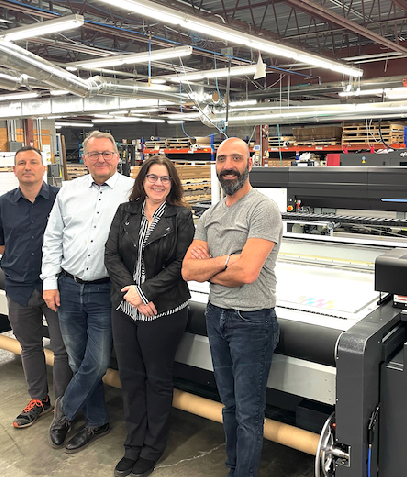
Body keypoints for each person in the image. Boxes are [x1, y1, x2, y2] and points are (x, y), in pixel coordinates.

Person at [181, 137, 283, 477]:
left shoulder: (262, 208)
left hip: (252, 321)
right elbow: (187, 270)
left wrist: (209, 268)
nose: (228, 165)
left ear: (249, 163)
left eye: (236, 158)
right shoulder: (210, 214)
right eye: (222, 158)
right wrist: (225, 262)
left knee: (249, 412)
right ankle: (233, 467)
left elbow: (248, 272)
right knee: (230, 406)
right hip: (216, 316)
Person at [42, 131, 134, 454]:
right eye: (94, 154)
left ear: (117, 156)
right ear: (84, 158)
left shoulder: (131, 191)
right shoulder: (69, 191)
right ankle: (97, 421)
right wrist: (49, 282)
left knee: (95, 362)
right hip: (67, 287)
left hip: (103, 291)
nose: (101, 160)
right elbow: (53, 238)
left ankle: (64, 412)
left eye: (107, 153)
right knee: (78, 358)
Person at [104, 155, 195, 477]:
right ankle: (133, 445)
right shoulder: (125, 212)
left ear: (172, 184)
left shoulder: (182, 217)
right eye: (152, 177)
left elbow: (180, 265)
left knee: (157, 380)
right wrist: (131, 290)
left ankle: (152, 449)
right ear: (142, 180)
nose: (158, 183)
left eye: (165, 179)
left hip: (164, 310)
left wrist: (145, 293)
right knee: (130, 378)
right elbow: (111, 254)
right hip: (125, 308)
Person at [0, 145, 72, 429]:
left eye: (33, 162)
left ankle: (65, 404)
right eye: (22, 163)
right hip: (19, 288)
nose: (27, 167)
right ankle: (38, 399)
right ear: (15, 169)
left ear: (44, 168)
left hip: (56, 287)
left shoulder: (62, 199)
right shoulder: (1, 205)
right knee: (29, 346)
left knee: (62, 348)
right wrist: (16, 258)